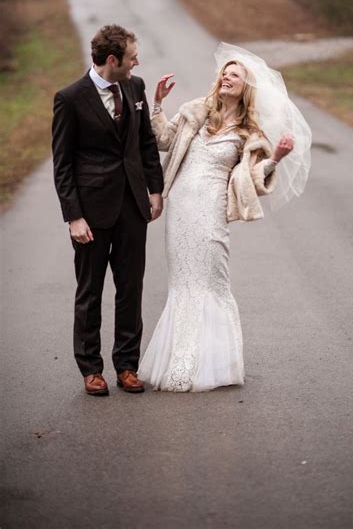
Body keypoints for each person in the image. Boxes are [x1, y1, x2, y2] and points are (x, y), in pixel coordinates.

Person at [138, 43, 311, 392]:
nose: (227, 78)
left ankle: (214, 365)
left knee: (210, 283)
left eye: (235, 75)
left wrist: (275, 157)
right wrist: (157, 103)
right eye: (225, 73)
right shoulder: (194, 112)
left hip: (211, 213)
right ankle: (179, 362)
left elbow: (252, 179)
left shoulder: (249, 133)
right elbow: (163, 139)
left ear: (246, 87)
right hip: (181, 211)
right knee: (183, 284)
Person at [52, 24, 164, 396]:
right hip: (91, 212)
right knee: (90, 291)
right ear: (112, 60)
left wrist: (155, 189)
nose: (138, 62)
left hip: (133, 205)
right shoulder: (69, 98)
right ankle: (91, 368)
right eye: (132, 57)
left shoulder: (135, 87)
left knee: (131, 287)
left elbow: (146, 143)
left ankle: (127, 365)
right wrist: (73, 216)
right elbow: (63, 164)